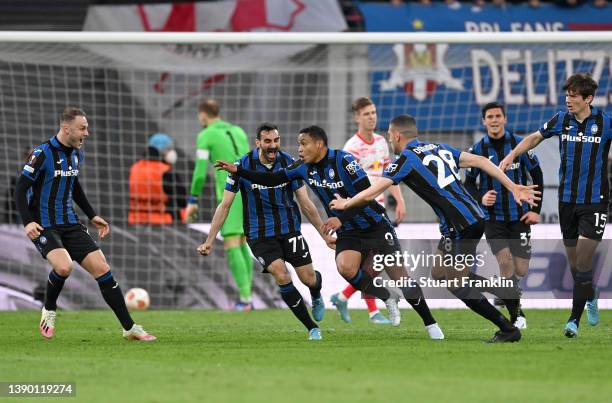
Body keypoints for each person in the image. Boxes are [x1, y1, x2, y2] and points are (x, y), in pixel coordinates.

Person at [216, 125, 445, 340]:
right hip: (348, 229)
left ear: (319, 145)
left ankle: (430, 323)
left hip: (375, 224)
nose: (299, 149)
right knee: (345, 267)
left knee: (401, 277)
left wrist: (340, 216)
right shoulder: (301, 167)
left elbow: (366, 195)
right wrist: (238, 170)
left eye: (303, 144)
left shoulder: (344, 161)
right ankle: (387, 296)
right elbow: (272, 178)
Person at [329, 115, 540, 343]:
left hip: (462, 224)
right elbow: (481, 160)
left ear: (396, 135)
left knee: (456, 284)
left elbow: (373, 191)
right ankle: (504, 290)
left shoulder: (405, 160)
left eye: (390, 136)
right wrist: (512, 186)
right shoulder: (439, 148)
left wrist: (346, 203)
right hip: (460, 222)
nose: (390, 141)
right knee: (439, 272)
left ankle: (507, 329)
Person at [14, 107, 155, 341]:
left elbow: (74, 185)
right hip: (44, 224)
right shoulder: (41, 154)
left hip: (70, 222)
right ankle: (49, 309)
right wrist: (28, 222)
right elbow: (20, 189)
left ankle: (129, 328)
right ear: (66, 128)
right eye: (82, 128)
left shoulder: (77, 153)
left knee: (103, 269)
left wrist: (91, 214)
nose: (87, 133)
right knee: (63, 267)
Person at [198, 123, 333, 340]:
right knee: (281, 274)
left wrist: (323, 234)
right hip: (259, 235)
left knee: (308, 278)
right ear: (258, 143)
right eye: (268, 141)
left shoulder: (290, 163)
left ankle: (315, 293)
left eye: (276, 141)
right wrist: (209, 240)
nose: (273, 146)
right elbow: (225, 205)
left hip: (289, 230)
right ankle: (311, 327)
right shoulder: (242, 165)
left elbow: (306, 202)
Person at [499, 73, 610, 338]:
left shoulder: (605, 123)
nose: (568, 100)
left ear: (588, 99)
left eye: (573, 96)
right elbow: (534, 138)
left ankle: (573, 320)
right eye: (567, 95)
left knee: (583, 259)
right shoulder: (561, 119)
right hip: (566, 202)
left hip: (594, 203)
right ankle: (590, 291)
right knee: (575, 264)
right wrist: (512, 154)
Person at [464, 102, 544, 329]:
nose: (494, 120)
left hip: (519, 218)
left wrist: (535, 210)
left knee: (521, 269)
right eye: (490, 116)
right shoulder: (477, 150)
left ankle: (507, 294)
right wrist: (480, 197)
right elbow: (468, 184)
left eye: (498, 116)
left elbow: (537, 175)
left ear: (505, 119)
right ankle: (516, 314)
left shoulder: (520, 145)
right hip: (493, 220)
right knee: (506, 264)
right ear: (484, 121)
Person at [330, 97, 406, 325]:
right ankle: (370, 310)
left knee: (373, 264)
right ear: (356, 118)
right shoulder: (351, 148)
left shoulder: (383, 142)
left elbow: (389, 175)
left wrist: (400, 201)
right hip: (360, 211)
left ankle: (344, 298)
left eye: (373, 112)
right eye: (366, 114)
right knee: (371, 264)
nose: (372, 117)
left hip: (379, 210)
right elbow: (346, 185)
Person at [186, 99, 254, 310]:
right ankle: (248, 294)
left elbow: (199, 172)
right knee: (242, 241)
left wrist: (193, 199)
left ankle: (245, 299)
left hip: (230, 191)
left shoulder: (205, 134)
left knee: (232, 242)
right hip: (251, 188)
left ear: (203, 115)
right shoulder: (239, 131)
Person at [128, 133, 187, 224]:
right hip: (161, 222)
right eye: (168, 149)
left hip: (135, 222)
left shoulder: (134, 168)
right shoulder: (166, 171)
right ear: (162, 151)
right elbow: (182, 200)